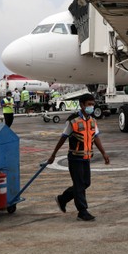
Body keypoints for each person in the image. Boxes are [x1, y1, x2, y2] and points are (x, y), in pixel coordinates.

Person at [47, 93, 110, 221]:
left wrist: (104, 153)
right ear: (82, 105)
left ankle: (62, 199)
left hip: (86, 157)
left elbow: (95, 137)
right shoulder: (73, 120)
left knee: (85, 183)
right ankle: (82, 211)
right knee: (79, 184)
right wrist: (53, 154)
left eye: (93, 104)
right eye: (89, 105)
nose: (91, 107)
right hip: (75, 157)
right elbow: (63, 138)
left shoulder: (92, 120)